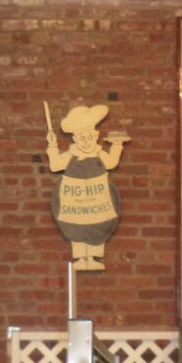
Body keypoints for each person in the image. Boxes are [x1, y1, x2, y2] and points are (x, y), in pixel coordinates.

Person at [45, 102, 128, 270]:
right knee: (75, 226)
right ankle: (81, 258)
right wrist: (52, 145)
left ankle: (95, 258)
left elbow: (111, 163)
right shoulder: (70, 155)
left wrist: (117, 145)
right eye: (82, 138)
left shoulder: (99, 154)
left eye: (90, 137)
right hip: (75, 201)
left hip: (98, 199)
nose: (86, 142)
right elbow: (55, 165)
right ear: (75, 139)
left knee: (99, 224)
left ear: (96, 136)